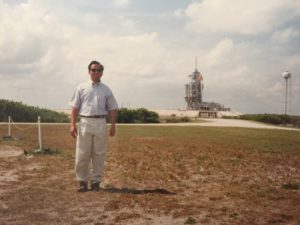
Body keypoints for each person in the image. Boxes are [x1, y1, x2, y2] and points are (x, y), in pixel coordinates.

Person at [69, 60, 118, 192]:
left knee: (99, 153)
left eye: (99, 70)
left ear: (102, 72)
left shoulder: (106, 90)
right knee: (82, 153)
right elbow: (74, 107)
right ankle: (82, 182)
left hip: (101, 123)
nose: (96, 72)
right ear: (89, 72)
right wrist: (72, 125)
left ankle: (96, 182)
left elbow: (113, 108)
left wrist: (113, 125)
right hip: (85, 122)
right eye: (93, 70)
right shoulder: (81, 87)